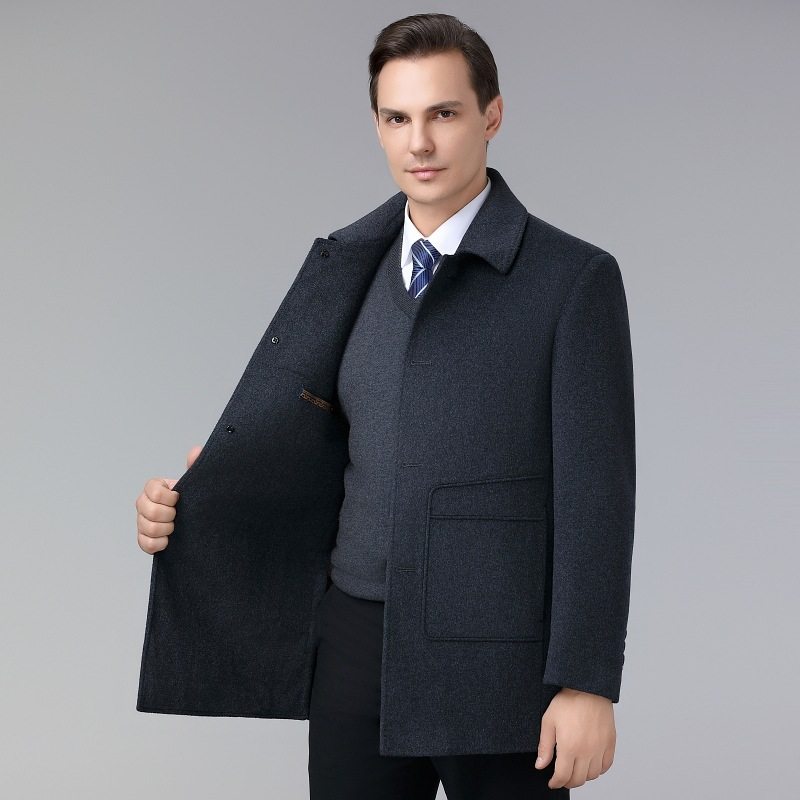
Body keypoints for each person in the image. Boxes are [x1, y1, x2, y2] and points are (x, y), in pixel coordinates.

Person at [135, 12, 636, 799]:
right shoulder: (346, 268)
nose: (420, 143)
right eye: (397, 118)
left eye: (444, 113)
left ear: (492, 116)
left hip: (502, 664)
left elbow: (597, 499)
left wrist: (587, 681)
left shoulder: (572, 281)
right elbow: (316, 453)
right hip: (353, 648)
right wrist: (201, 498)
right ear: (376, 125)